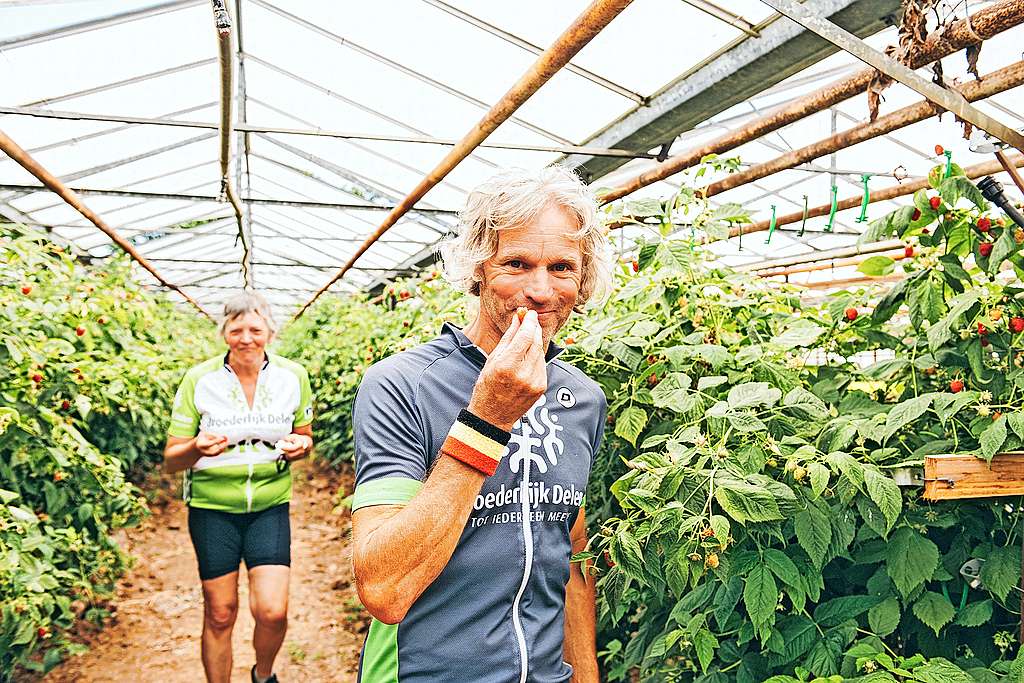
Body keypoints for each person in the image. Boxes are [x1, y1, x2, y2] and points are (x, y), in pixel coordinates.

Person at [351, 166, 612, 682]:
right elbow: (384, 587)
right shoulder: (402, 385)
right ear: (477, 269)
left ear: (583, 282)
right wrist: (487, 419)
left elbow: (571, 555)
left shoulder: (582, 398)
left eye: (562, 267)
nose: (540, 290)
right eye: (516, 263)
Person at [163, 291, 314, 683]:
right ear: (224, 332)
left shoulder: (293, 377)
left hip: (269, 504)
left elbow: (304, 439)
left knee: (272, 610)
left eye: (255, 329)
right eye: (237, 329)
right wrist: (195, 447)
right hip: (213, 509)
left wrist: (301, 447)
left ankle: (263, 675)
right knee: (220, 611)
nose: (246, 338)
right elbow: (170, 459)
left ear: (269, 332)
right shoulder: (200, 379)